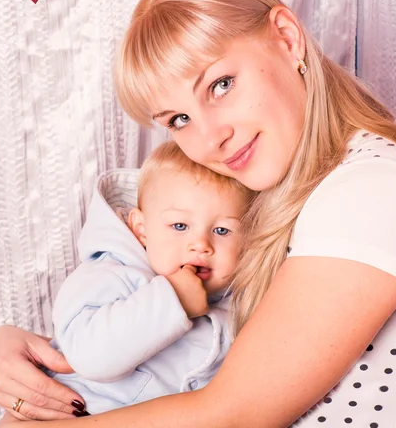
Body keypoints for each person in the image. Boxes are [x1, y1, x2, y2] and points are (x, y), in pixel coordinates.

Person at [0, 0, 396, 427]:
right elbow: (148, 263)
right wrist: (28, 354)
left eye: (220, 85)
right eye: (178, 119)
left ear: (287, 38)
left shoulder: (375, 188)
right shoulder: (282, 183)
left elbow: (232, 415)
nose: (209, 138)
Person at [45, 140, 252, 416]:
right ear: (142, 230)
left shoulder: (241, 300)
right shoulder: (110, 274)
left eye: (223, 231)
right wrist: (174, 300)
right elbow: (88, 356)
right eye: (180, 226)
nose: (200, 244)